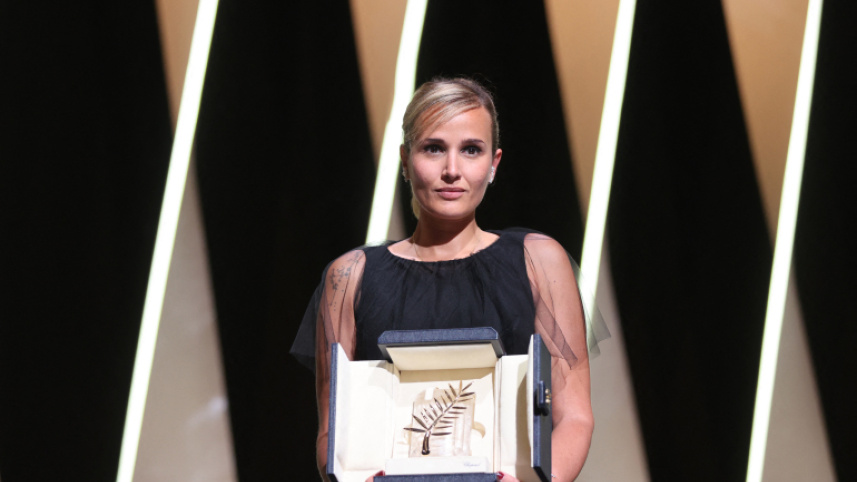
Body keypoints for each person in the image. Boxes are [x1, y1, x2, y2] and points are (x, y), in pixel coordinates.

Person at [291, 77, 607, 481]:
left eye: (471, 150)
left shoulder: (538, 260)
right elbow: (333, 432)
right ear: (405, 160)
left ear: (493, 164)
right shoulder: (350, 276)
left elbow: (575, 416)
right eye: (434, 148)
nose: (452, 170)